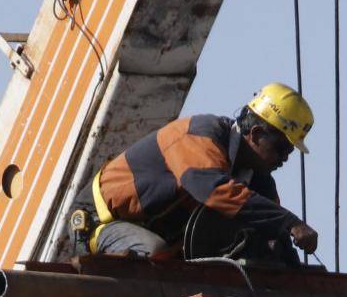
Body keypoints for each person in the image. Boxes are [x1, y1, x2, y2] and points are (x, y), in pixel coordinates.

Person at [86, 83, 318, 264]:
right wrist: (290, 222)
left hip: (161, 238)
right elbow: (214, 190)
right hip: (105, 221)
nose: (285, 159)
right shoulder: (200, 135)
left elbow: (271, 230)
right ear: (256, 134)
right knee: (157, 254)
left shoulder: (259, 180)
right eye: (282, 149)